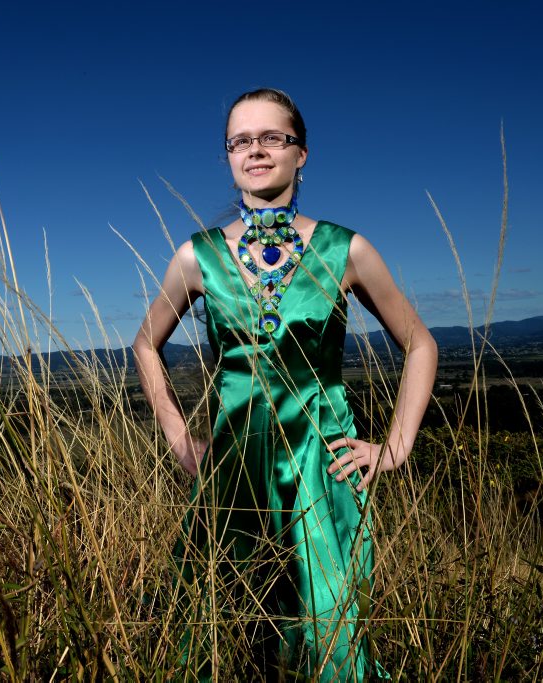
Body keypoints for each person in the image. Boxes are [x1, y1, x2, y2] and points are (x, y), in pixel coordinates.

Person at [132, 88, 438, 680]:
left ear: (302, 154)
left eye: (273, 137)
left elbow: (420, 343)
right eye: (241, 141)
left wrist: (396, 446)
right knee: (222, 626)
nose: (256, 150)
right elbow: (146, 343)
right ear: (228, 157)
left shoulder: (346, 249)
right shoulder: (197, 257)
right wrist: (177, 437)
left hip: (321, 470)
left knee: (329, 632)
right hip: (232, 471)